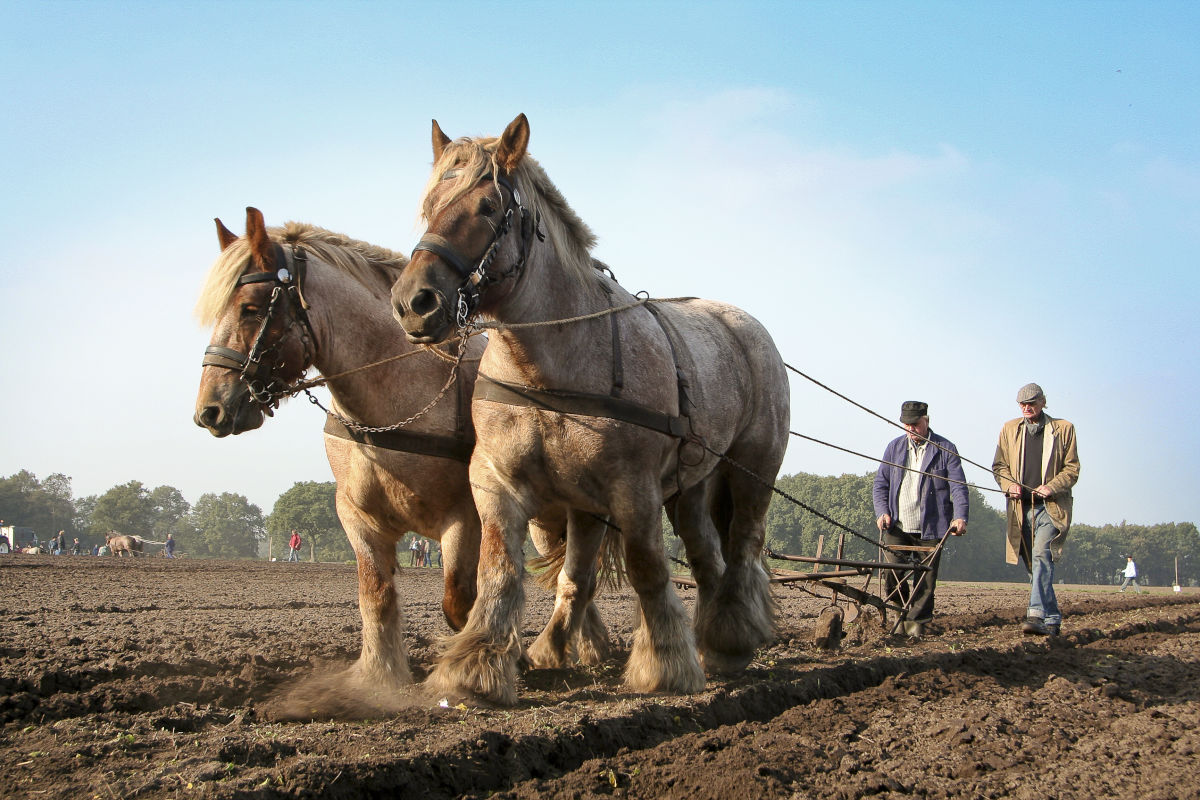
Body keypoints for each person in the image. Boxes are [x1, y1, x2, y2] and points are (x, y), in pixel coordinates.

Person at [872, 401, 969, 638]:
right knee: (892, 572)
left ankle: (916, 622)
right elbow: (881, 484)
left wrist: (960, 517)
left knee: (926, 578)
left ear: (926, 420)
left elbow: (958, 487)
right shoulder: (894, 447)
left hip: (932, 526)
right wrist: (882, 511)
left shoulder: (945, 449)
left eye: (915, 424)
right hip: (897, 525)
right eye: (906, 425)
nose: (911, 429)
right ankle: (900, 613)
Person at [992, 383, 1080, 637]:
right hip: (1020, 510)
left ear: (1043, 402)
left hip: (1051, 509)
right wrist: (1009, 485)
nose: (1026, 407)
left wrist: (1051, 487)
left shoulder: (1064, 428)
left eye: (1031, 403)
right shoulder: (1009, 429)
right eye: (1022, 404)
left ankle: (1035, 615)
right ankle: (1052, 618)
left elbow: (1072, 469)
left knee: (1042, 555)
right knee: (1034, 567)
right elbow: (999, 466)